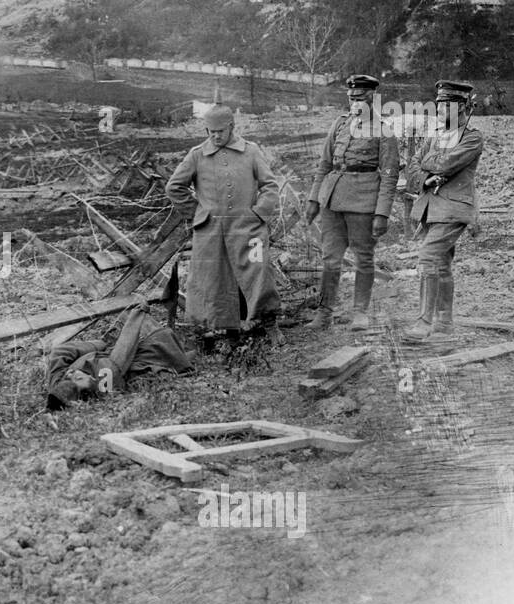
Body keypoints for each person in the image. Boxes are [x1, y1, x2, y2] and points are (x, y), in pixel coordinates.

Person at [165, 105, 280, 339]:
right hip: (211, 232)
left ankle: (269, 324)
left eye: (220, 131)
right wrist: (199, 215)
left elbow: (270, 186)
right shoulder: (197, 154)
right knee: (214, 280)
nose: (215, 136)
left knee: (259, 273)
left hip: (248, 229)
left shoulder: (251, 151)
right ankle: (228, 330)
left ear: (232, 127)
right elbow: (174, 188)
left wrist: (258, 214)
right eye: (211, 132)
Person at [304, 74, 400, 330]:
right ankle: (324, 313)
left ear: (372, 99)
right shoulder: (340, 123)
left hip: (363, 201)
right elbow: (324, 164)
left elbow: (390, 176)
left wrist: (382, 214)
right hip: (332, 200)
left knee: (363, 259)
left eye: (360, 98)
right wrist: (314, 198)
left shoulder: (384, 130)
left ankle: (360, 312)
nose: (355, 103)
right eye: (351, 98)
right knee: (330, 259)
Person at [402, 80, 484, 342]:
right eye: (437, 104)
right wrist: (426, 178)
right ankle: (444, 324)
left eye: (445, 105)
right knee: (442, 265)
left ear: (462, 108)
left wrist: (428, 163)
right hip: (430, 208)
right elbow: (412, 167)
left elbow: (447, 163)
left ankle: (424, 323)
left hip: (452, 210)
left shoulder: (472, 137)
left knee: (427, 258)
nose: (439, 110)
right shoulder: (434, 136)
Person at [45, 305, 193, 409]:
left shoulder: (57, 382)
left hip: (107, 351)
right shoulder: (105, 378)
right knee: (162, 338)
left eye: (73, 375)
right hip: (139, 360)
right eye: (79, 380)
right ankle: (195, 347)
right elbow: (125, 350)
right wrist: (138, 314)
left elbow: (60, 351)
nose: (74, 374)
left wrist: (99, 344)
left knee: (123, 316)